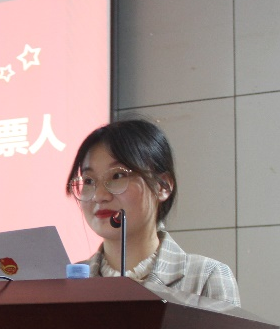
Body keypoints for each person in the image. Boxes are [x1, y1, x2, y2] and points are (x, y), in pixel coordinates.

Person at [65, 119, 241, 307]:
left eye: (117, 176)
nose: (99, 196)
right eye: (89, 181)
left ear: (162, 186)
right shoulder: (65, 284)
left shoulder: (205, 278)